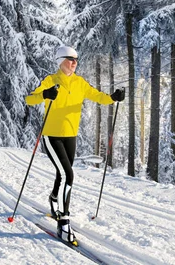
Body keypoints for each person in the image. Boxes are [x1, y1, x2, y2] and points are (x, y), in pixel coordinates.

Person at [25, 46, 124, 243]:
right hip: (51, 136)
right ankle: (63, 222)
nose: (74, 62)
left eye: (76, 59)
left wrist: (113, 98)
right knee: (68, 174)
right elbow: (29, 99)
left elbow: (98, 97)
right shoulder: (50, 81)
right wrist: (45, 95)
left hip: (71, 136)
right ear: (60, 60)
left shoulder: (79, 82)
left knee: (62, 173)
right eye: (70, 59)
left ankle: (54, 199)